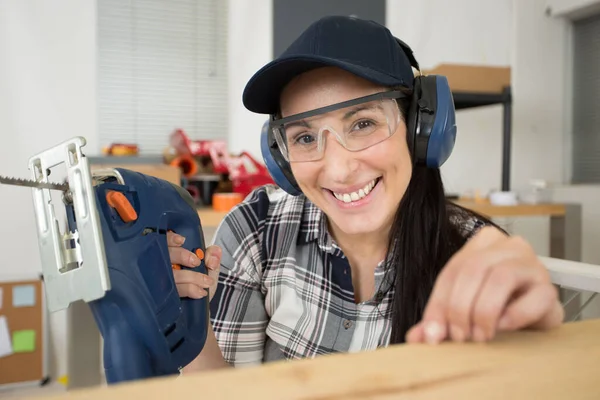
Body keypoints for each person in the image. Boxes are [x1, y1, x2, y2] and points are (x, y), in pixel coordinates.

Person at [167, 15, 564, 371]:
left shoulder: (472, 257)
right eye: (305, 137)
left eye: (363, 123)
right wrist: (191, 314)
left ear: (421, 127)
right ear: (281, 157)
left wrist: (533, 353)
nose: (338, 169)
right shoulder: (256, 230)